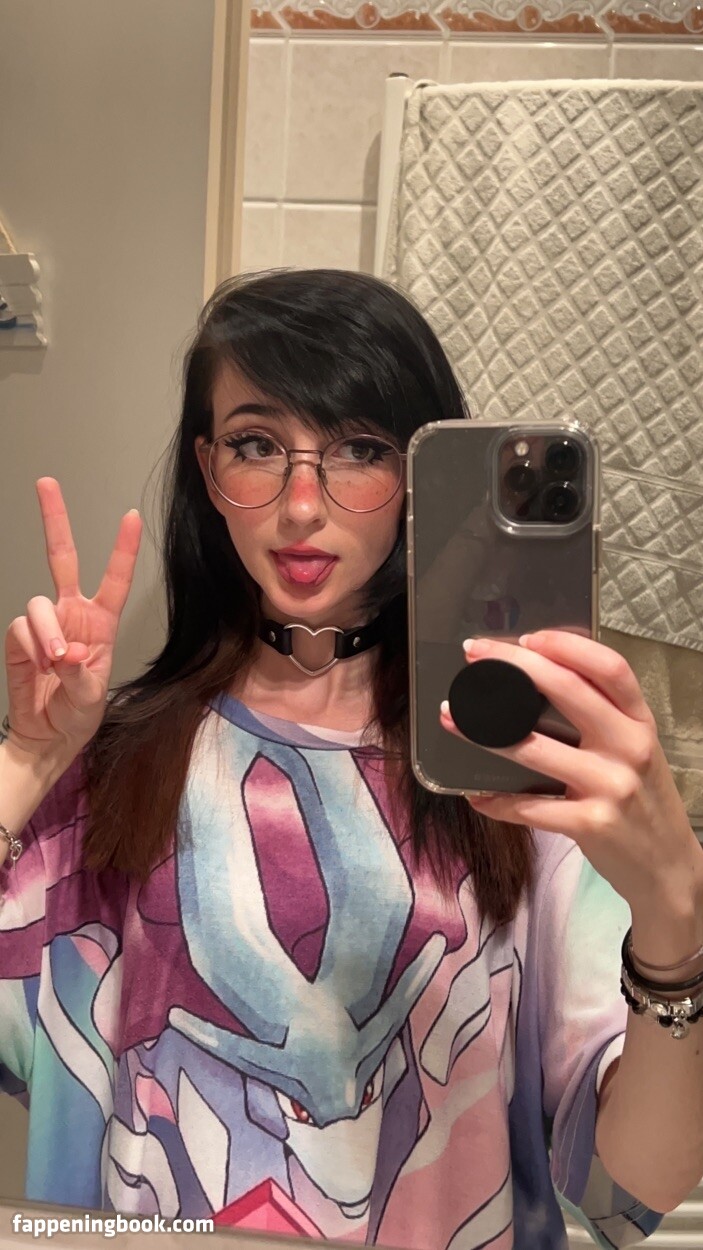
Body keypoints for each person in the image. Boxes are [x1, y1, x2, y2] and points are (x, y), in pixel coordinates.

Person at [1, 269, 702, 1250]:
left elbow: (636, 1179)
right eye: (256, 445)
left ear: (420, 478)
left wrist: (673, 910)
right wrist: (26, 763)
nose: (301, 506)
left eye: (360, 449)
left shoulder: (514, 769)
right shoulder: (112, 756)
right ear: (208, 467)